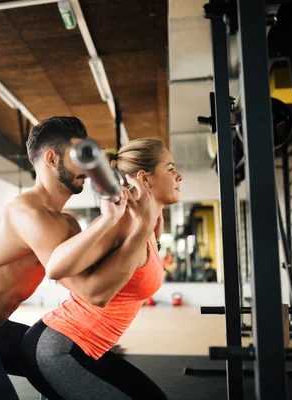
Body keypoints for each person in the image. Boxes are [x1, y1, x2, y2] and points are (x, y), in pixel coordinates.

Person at [0, 117, 158, 400]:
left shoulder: (69, 224)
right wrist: (121, 222)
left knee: (57, 363)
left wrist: (133, 219)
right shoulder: (27, 213)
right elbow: (90, 290)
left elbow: (100, 274)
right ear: (51, 158)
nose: (87, 167)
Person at [21, 138, 183, 400]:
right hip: (61, 347)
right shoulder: (125, 222)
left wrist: (153, 231)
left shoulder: (147, 226)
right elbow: (56, 268)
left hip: (91, 349)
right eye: (171, 168)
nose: (180, 176)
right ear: (145, 178)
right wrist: (127, 223)